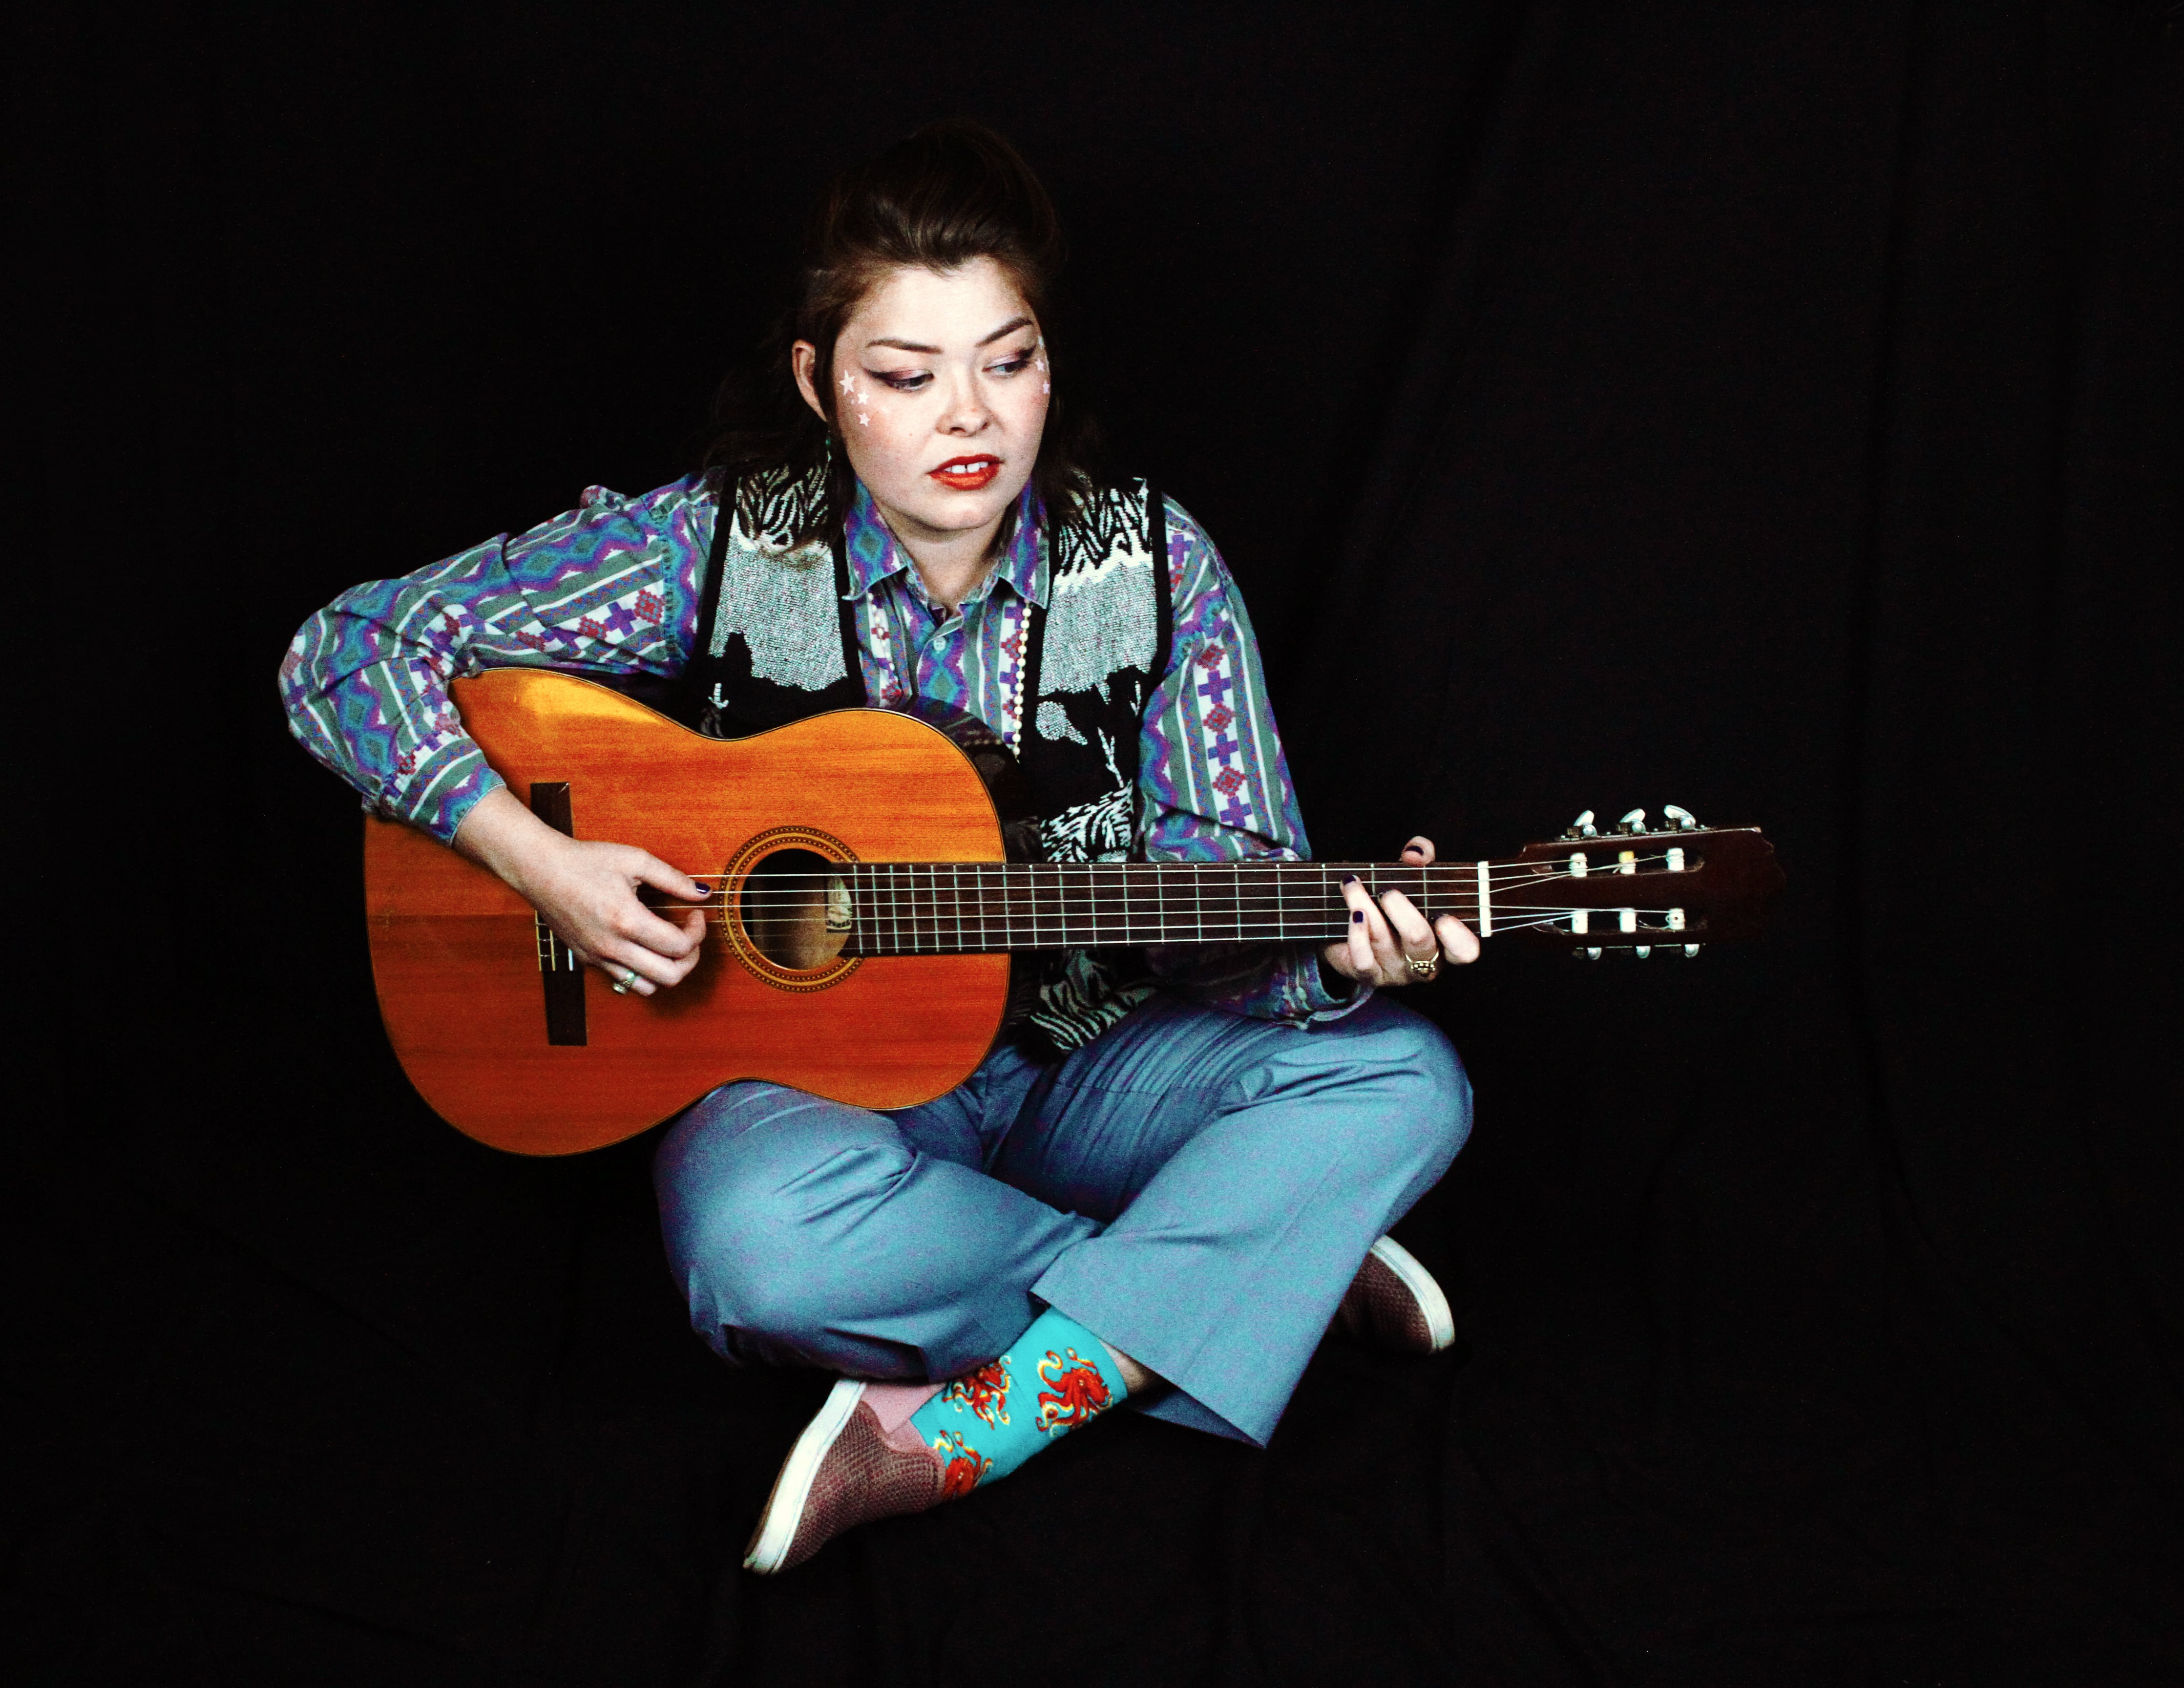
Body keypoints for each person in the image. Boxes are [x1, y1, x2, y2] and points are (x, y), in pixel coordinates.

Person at [282, 120, 1478, 1575]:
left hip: (1093, 1068)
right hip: (823, 1099)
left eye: (1008, 362)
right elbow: (344, 654)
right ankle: (1251, 1270)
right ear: (819, 381)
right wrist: (544, 865)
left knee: (1403, 1079)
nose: (969, 416)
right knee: (753, 1254)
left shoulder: (1160, 567)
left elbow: (1237, 906)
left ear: (1048, 364)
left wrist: (1339, 957)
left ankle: (990, 1416)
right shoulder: (714, 542)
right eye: (907, 376)